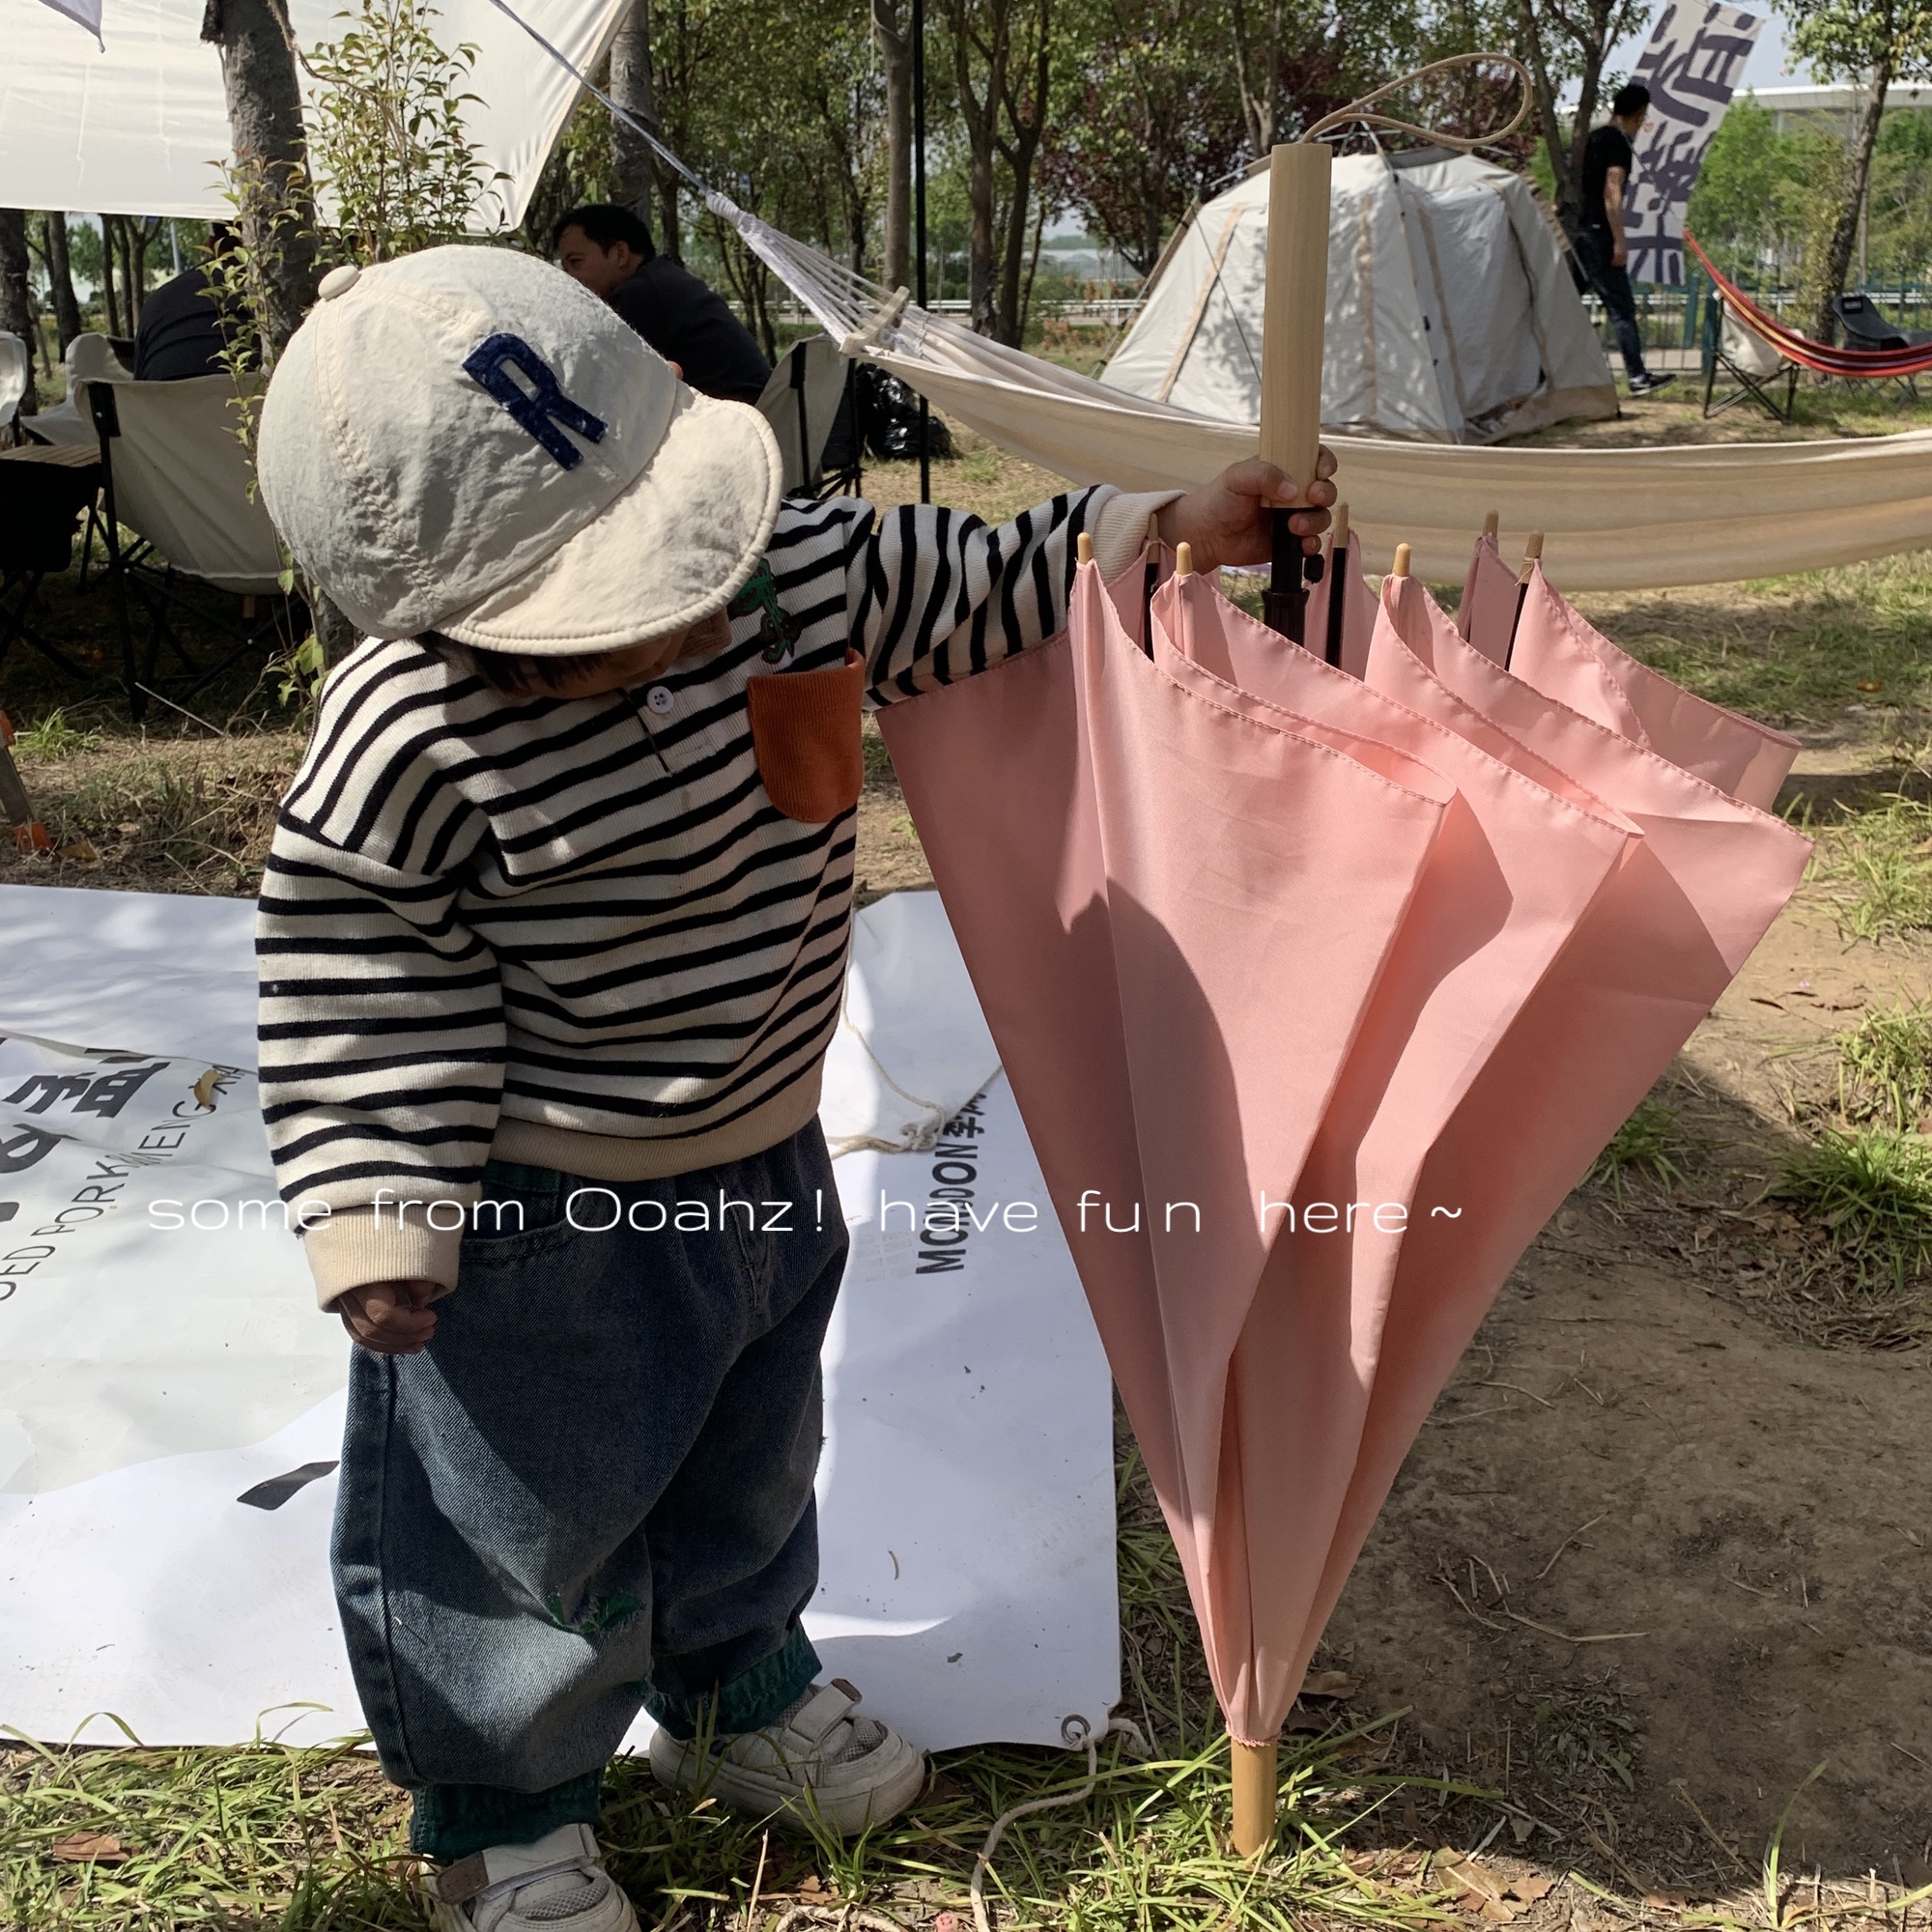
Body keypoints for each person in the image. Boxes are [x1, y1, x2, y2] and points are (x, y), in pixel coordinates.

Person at [251, 245, 1333, 1932]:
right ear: (441, 619)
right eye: (580, 631)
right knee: (519, 1515)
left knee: (751, 1448)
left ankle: (732, 1689)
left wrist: (1163, 527)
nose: (670, 622)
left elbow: (984, 577)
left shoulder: (791, 576)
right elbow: (359, 972)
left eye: (669, 559)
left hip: (766, 1151)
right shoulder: (404, 732)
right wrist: (382, 1201)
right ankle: (504, 1807)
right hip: (544, 1207)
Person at [554, 204, 772, 404]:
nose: (569, 277)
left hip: (741, 426)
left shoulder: (641, 294)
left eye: (576, 262)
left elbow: (593, 380)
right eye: (565, 267)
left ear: (620, 254)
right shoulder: (661, 279)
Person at [1574, 83, 1673, 398]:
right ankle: (1638, 376)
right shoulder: (1617, 143)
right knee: (1621, 309)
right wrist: (1619, 240)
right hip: (1600, 233)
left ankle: (1538, 374)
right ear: (1639, 113)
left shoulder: (1593, 138)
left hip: (1578, 232)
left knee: (1564, 306)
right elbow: (1612, 190)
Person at [132, 225, 242, 382]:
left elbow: (139, 391)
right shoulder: (271, 303)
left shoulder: (156, 305)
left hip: (168, 405)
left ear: (211, 245)